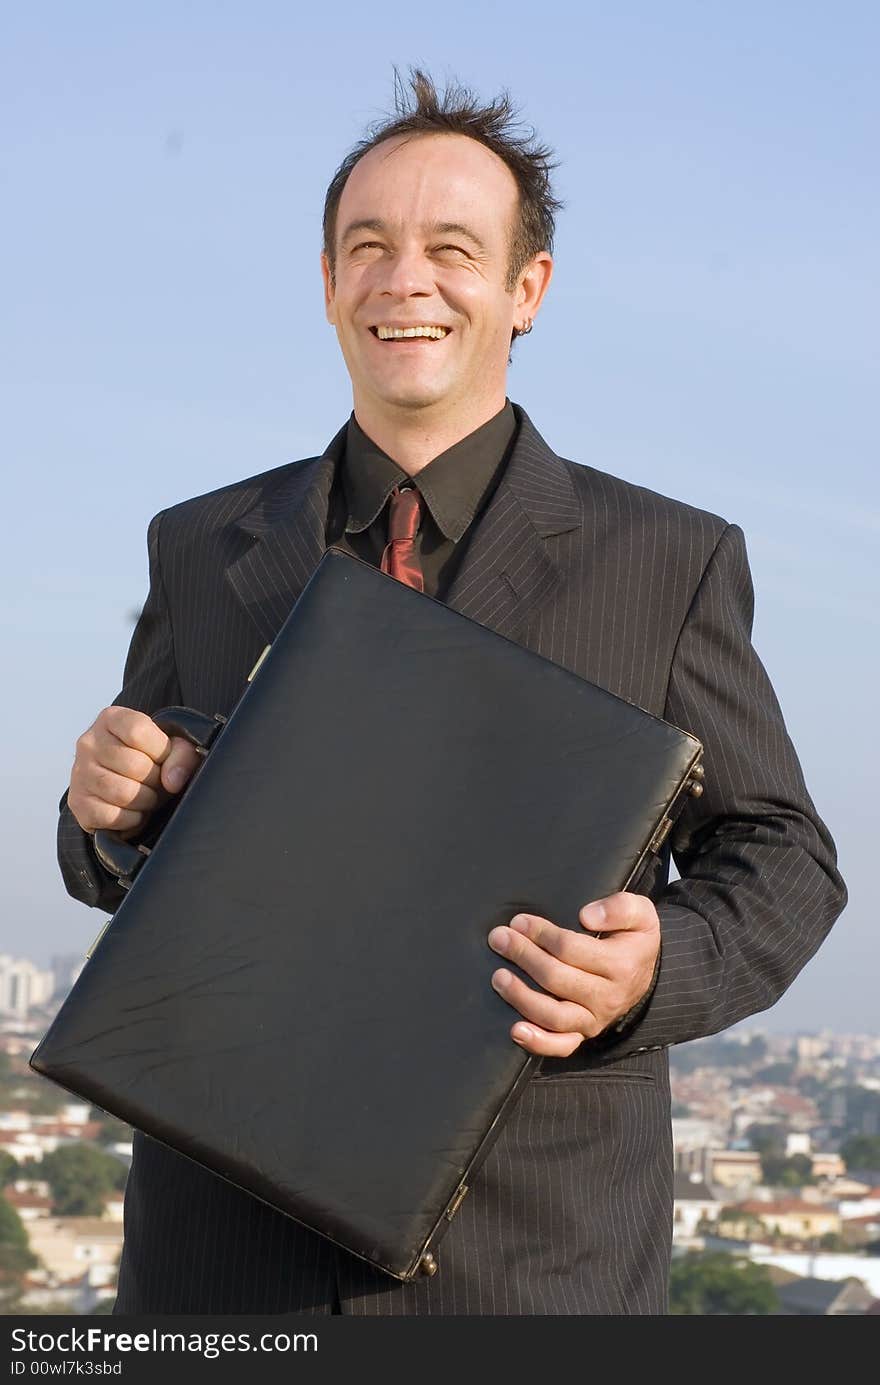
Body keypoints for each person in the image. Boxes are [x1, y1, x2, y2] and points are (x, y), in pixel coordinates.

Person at [58, 70, 846, 1316]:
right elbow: (121, 844)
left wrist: (658, 967)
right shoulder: (199, 541)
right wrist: (108, 801)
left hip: (535, 1265)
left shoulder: (667, 557)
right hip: (217, 1264)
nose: (402, 279)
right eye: (365, 247)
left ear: (525, 290)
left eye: (450, 249)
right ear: (326, 283)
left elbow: (786, 855)